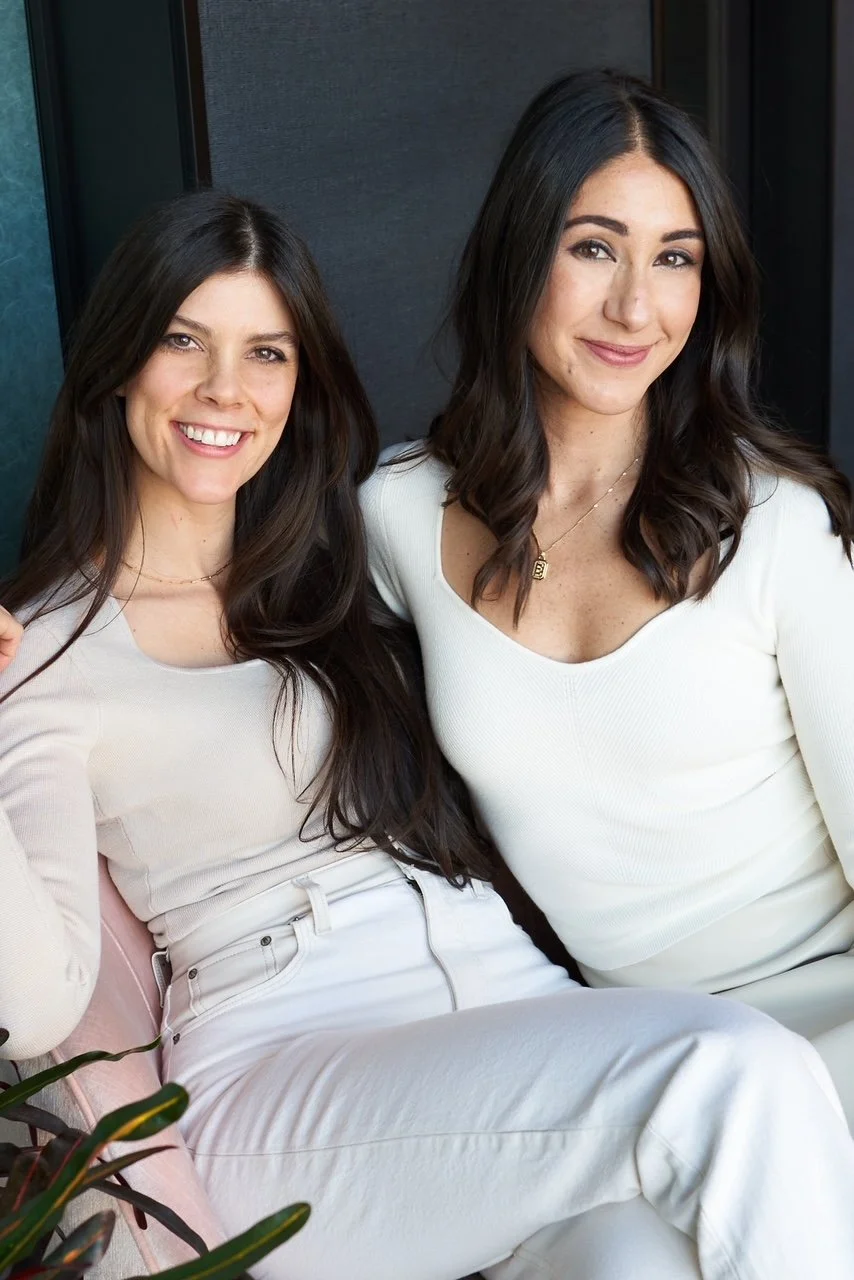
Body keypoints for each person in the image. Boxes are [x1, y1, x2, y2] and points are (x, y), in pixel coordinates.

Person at [2, 192, 854, 1280]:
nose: (226, 389)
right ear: (121, 360)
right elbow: (33, 998)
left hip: (505, 1006)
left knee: (638, 1258)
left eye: (266, 351)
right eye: (184, 340)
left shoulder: (341, 560)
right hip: (292, 1061)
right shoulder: (51, 656)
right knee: (736, 1074)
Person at [361, 66, 854, 1267]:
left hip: (829, 1013)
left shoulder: (772, 526)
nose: (636, 305)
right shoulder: (395, 514)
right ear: (517, 252)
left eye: (675, 258)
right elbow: (228, 622)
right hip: (632, 1047)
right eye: (594, 247)